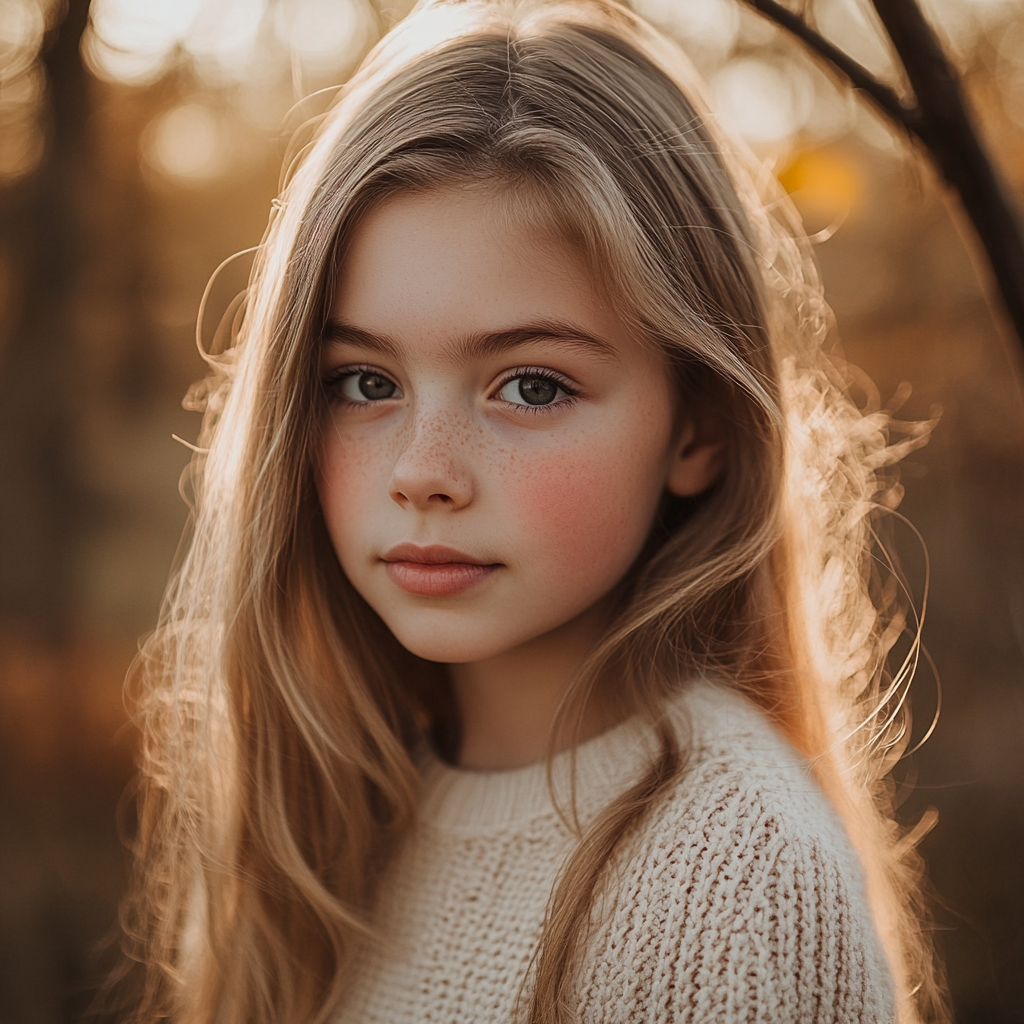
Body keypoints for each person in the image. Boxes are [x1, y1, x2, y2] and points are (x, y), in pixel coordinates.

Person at [117, 1, 947, 1021]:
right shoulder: (329, 812)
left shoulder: (724, 870)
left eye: (532, 386)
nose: (423, 473)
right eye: (364, 383)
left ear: (700, 429)